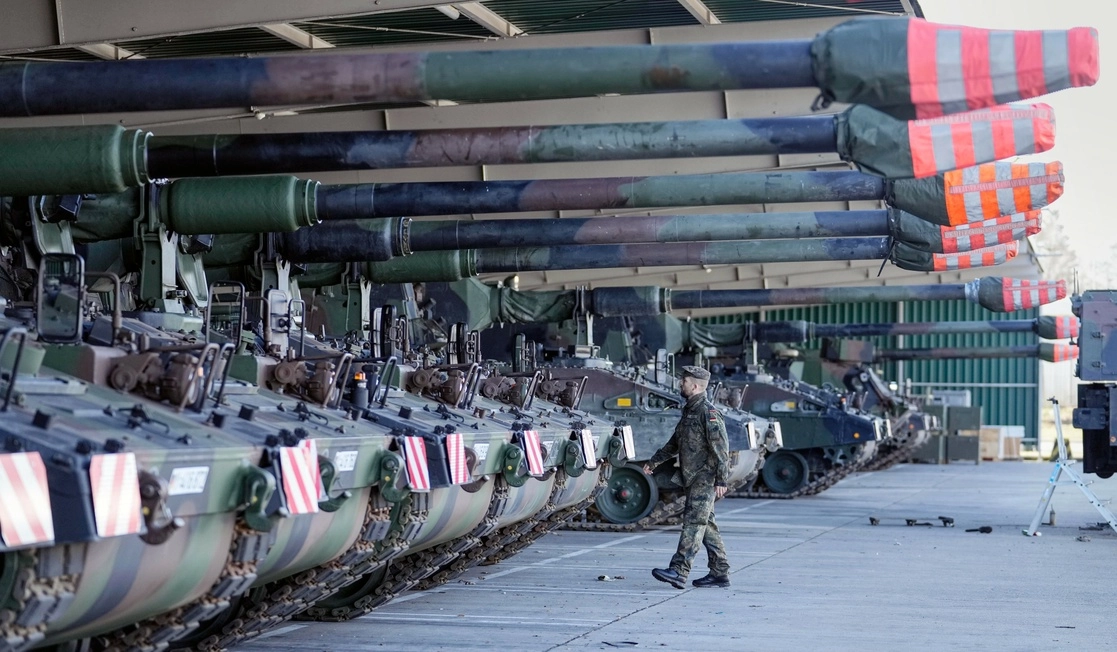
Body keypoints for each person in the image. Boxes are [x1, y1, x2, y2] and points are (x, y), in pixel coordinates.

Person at [644, 365, 731, 589]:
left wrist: (722, 479)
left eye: (683, 381)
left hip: (705, 477)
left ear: (694, 386)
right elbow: (676, 442)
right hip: (691, 476)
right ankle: (720, 572)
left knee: (694, 523)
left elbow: (721, 448)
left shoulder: (708, 412)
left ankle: (679, 570)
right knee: (707, 525)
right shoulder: (690, 410)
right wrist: (654, 461)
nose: (680, 384)